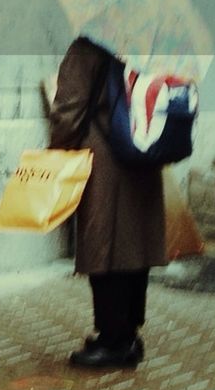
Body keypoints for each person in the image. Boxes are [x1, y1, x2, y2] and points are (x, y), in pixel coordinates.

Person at [48, 36, 166, 369]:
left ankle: (113, 341)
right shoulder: (150, 41)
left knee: (105, 249)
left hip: (105, 160)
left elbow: (69, 109)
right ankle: (128, 335)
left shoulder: (90, 44)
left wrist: (58, 150)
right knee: (134, 249)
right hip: (142, 153)